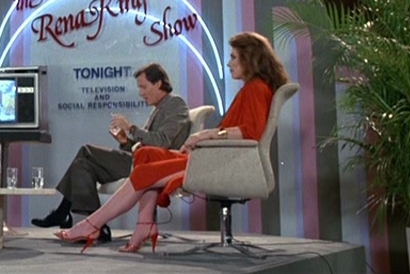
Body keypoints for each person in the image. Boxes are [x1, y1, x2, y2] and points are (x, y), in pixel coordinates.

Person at [54, 32, 289, 253]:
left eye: (234, 57)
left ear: (249, 58)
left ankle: (91, 224)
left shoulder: (256, 89)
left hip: (218, 161)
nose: (229, 63)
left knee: (138, 168)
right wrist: (127, 141)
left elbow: (251, 133)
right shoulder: (250, 88)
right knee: (144, 155)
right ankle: (144, 225)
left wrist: (203, 135)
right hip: (208, 155)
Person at [31, 63, 192, 243]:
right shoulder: (158, 109)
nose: (140, 93)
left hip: (155, 166)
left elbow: (163, 142)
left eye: (143, 87)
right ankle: (93, 226)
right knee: (81, 165)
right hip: (141, 161)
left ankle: (67, 214)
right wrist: (124, 141)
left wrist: (130, 128)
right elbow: (143, 147)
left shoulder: (175, 104)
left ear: (159, 83)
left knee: (86, 151)